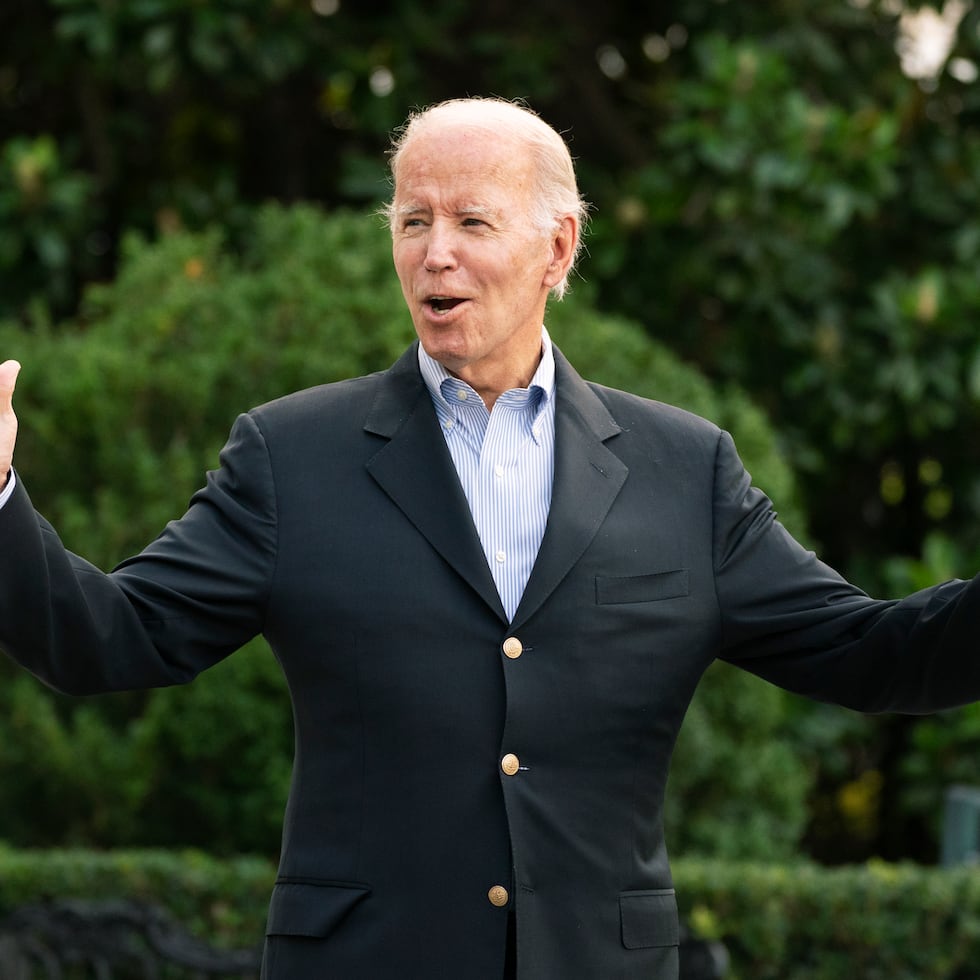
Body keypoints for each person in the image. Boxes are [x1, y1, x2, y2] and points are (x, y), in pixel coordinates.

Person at [1, 96, 978, 980]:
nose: (435, 253)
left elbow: (869, 653)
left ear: (557, 249)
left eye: (472, 222)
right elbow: (109, 639)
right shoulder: (290, 456)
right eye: (413, 219)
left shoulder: (686, 469)